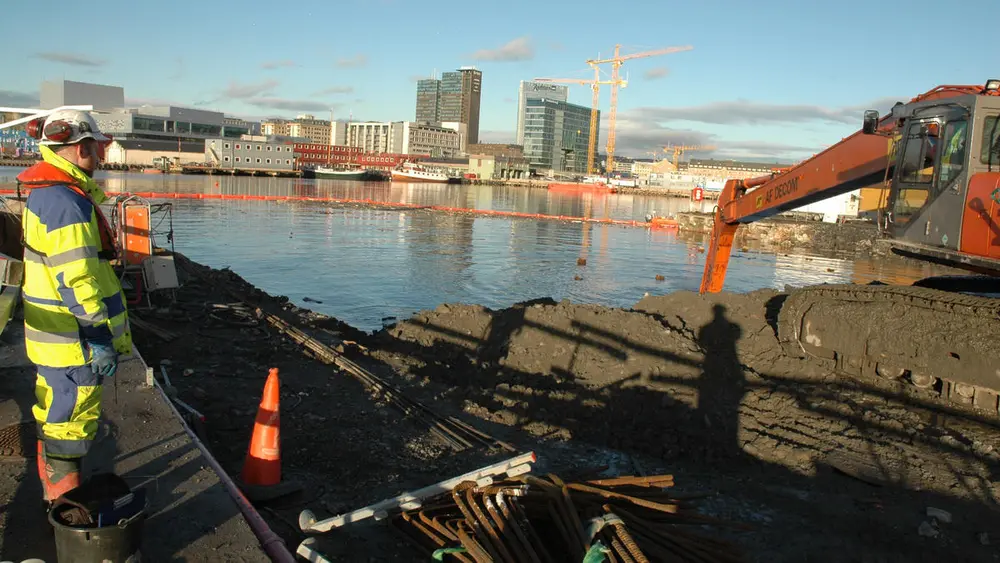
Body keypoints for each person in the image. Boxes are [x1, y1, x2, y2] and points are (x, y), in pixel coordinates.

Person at [15, 109, 131, 505]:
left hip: (56, 338)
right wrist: (98, 333)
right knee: (69, 422)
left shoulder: (48, 194)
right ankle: (64, 509)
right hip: (73, 341)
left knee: (55, 413)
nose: (100, 157)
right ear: (81, 148)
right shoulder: (66, 203)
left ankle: (58, 498)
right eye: (97, 149)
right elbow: (76, 278)